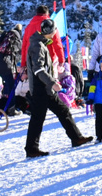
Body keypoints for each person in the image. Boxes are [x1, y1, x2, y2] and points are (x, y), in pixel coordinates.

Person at [25, 19, 92, 157]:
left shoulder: (40, 44)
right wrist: (52, 83)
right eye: (55, 30)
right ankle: (31, 149)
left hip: (45, 88)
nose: (56, 32)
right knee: (38, 118)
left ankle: (76, 137)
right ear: (50, 32)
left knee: (63, 110)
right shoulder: (37, 46)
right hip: (41, 89)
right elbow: (38, 70)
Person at [0, 23, 24, 114]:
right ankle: (11, 109)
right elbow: (19, 55)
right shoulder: (17, 40)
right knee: (11, 87)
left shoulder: (3, 36)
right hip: (4, 66)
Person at [20, 4, 63, 70]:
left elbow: (24, 46)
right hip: (47, 59)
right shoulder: (50, 26)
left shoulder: (28, 27)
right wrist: (61, 60)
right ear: (47, 14)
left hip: (31, 59)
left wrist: (23, 63)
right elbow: (57, 43)